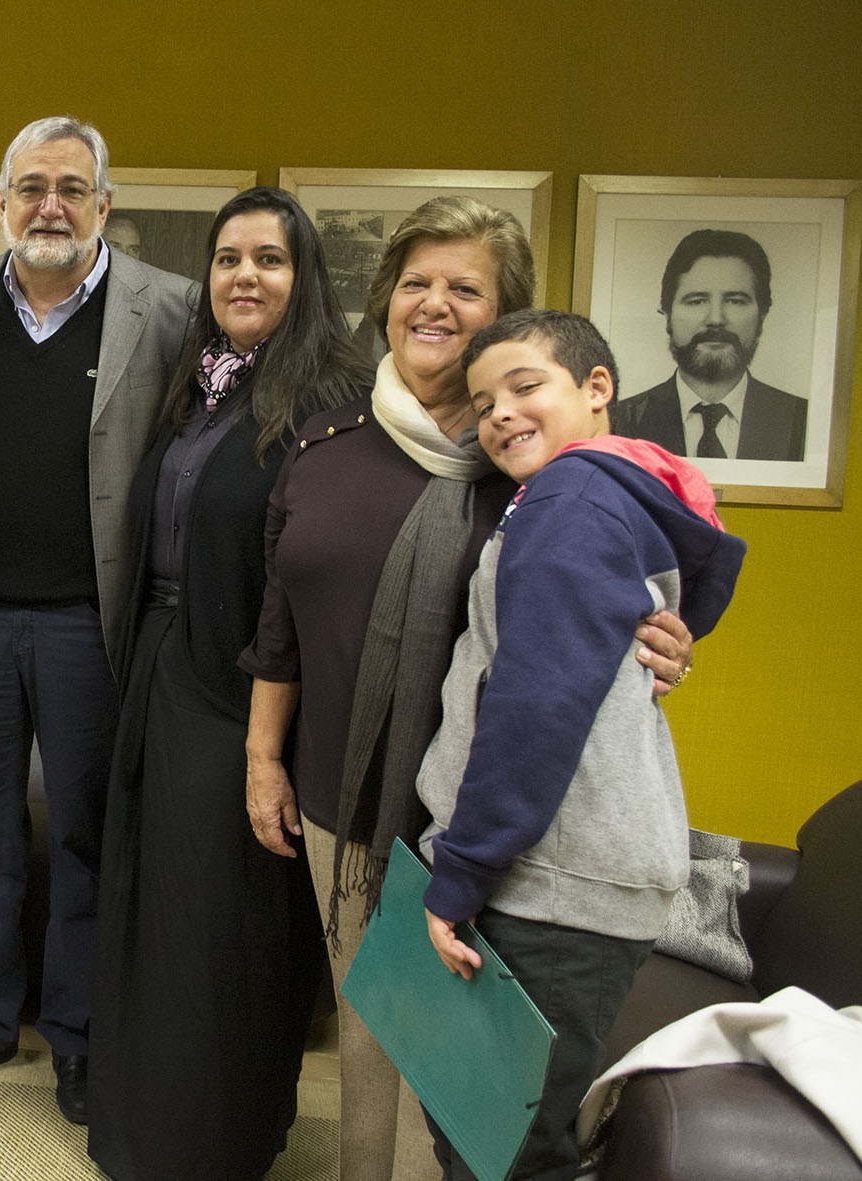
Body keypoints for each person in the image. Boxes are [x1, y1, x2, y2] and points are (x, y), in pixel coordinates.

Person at [237, 196, 695, 1181]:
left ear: (502, 314)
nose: (432, 303)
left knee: (463, 1082)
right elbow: (280, 615)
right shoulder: (325, 443)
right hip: (340, 802)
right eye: (414, 282)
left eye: (463, 286)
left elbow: (632, 595)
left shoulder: (542, 471)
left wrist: (668, 631)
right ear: (383, 299)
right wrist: (260, 755)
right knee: (372, 1037)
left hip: (489, 833)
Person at [419, 309, 745, 1178]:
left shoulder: (569, 500)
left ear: (597, 387)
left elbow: (534, 710)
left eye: (526, 387)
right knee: (507, 1133)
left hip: (553, 883)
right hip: (571, 872)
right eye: (483, 402)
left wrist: (461, 870)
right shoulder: (607, 492)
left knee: (507, 1147)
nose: (500, 415)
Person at [0, 116, 190, 1126]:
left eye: (72, 188)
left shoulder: (167, 307)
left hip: (88, 622)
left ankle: (74, 1034)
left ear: (104, 204)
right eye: (30, 187)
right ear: (0, 202)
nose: (50, 207)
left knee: (84, 833)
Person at [86, 187, 364, 1180]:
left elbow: (311, 565)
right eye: (229, 258)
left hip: (242, 684)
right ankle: (138, 1122)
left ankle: (210, 1141)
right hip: (158, 662)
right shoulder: (196, 384)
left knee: (219, 918)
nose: (245, 276)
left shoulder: (331, 399)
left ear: (304, 279)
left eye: (270, 259)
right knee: (147, 899)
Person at [612, 228, 808, 461]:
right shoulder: (619, 421)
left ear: (762, 313)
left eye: (735, 300)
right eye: (697, 301)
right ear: (667, 311)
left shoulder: (802, 421)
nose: (716, 319)